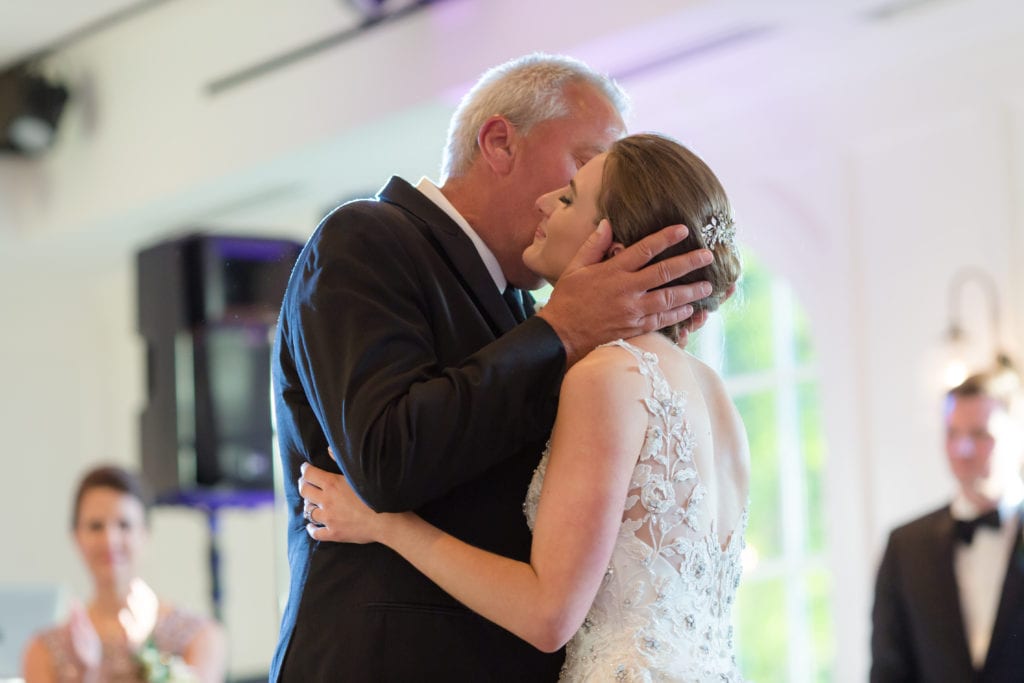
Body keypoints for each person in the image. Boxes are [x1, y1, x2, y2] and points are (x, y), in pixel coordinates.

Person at [270, 54, 715, 681]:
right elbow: (385, 458)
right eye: (585, 166)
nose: (606, 205)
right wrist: (559, 331)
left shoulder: (533, 317)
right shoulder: (366, 240)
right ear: (500, 142)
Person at [871, 368, 1024, 682]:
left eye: (980, 434)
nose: (962, 450)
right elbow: (888, 671)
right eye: (953, 434)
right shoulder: (905, 547)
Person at [22, 464, 226, 683]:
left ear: (145, 534)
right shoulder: (43, 652)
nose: (110, 540)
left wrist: (142, 656)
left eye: (124, 525)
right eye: (95, 526)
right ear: (76, 536)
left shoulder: (199, 637)